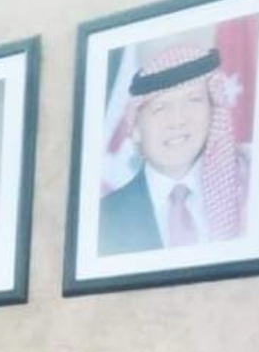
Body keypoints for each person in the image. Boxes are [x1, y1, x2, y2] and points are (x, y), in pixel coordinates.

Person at [98, 44, 249, 256]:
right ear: (136, 128)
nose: (178, 120)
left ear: (213, 111)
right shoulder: (104, 219)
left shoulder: (247, 195)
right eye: (160, 107)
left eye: (193, 101)